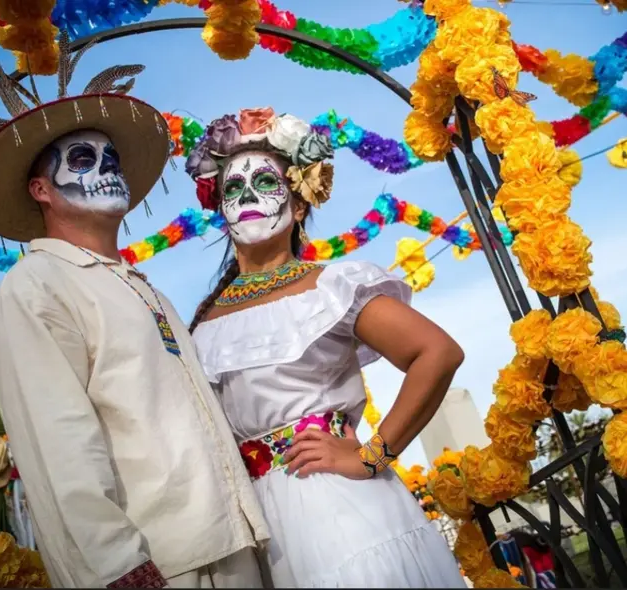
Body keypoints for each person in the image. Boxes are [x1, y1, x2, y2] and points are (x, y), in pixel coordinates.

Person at [0, 41, 269, 589]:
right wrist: (116, 562)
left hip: (228, 539)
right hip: (156, 564)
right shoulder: (34, 285)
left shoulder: (144, 290)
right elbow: (56, 438)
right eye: (81, 159)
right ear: (39, 188)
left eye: (111, 159)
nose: (104, 169)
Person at [185, 107, 468, 588]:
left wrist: (370, 456)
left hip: (339, 512)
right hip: (258, 531)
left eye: (266, 184)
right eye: (233, 188)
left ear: (298, 206)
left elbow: (437, 353)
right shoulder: (202, 321)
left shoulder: (331, 286)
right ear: (221, 210)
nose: (248, 196)